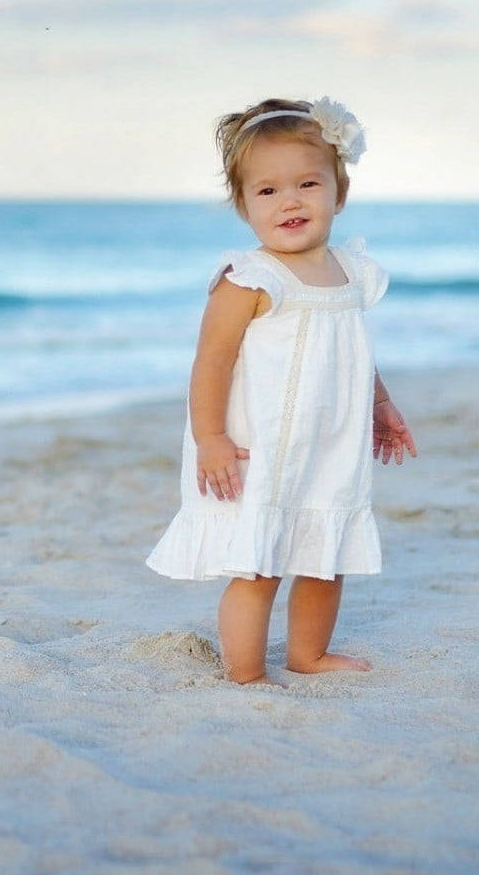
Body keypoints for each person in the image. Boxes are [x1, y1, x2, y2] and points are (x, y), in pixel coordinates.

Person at [144, 96, 417, 684]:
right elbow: (211, 363)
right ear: (243, 206)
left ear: (338, 193)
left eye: (308, 184)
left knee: (325, 558)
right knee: (259, 565)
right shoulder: (251, 279)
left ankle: (308, 654)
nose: (289, 200)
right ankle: (245, 673)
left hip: (329, 442)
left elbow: (354, 352)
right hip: (260, 446)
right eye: (267, 191)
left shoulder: (350, 273)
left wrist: (381, 403)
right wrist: (210, 437)